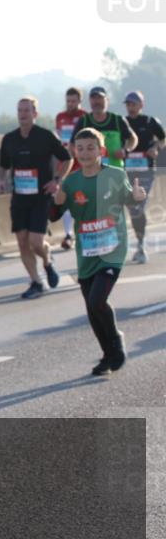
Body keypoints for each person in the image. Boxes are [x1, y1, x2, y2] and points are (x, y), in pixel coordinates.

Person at [54, 128, 146, 376]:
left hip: (112, 248)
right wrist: (58, 198)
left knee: (97, 300)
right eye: (80, 148)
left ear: (101, 150)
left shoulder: (115, 174)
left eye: (90, 148)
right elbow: (53, 215)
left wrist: (137, 197)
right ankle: (107, 354)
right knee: (91, 307)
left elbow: (130, 199)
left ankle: (115, 340)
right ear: (74, 150)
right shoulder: (72, 181)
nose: (84, 153)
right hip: (87, 251)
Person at [0, 97, 72, 299]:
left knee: (36, 242)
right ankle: (36, 282)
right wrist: (1, 180)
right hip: (20, 197)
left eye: (27, 110)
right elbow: (3, 165)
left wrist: (57, 180)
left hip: (41, 196)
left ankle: (47, 261)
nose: (23, 114)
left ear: (35, 114)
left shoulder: (46, 136)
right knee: (22, 241)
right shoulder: (9, 139)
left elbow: (67, 159)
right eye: (20, 110)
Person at [121, 90, 164, 264]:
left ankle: (141, 245)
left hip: (146, 170)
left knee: (138, 205)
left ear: (141, 105)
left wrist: (156, 148)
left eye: (134, 104)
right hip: (128, 170)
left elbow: (163, 138)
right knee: (133, 208)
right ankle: (140, 242)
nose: (131, 107)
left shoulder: (150, 121)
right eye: (128, 104)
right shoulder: (123, 123)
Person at [72, 86, 138, 170]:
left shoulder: (117, 120)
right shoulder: (84, 121)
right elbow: (71, 145)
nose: (96, 101)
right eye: (93, 98)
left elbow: (133, 139)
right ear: (89, 101)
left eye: (100, 98)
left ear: (107, 100)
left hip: (115, 171)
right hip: (90, 173)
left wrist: (125, 150)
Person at [54, 87, 86, 250]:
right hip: (65, 163)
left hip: (82, 163)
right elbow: (58, 136)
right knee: (64, 199)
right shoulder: (60, 117)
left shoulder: (85, 117)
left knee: (80, 199)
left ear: (80, 101)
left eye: (74, 101)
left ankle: (82, 230)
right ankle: (68, 234)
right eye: (68, 101)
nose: (70, 104)